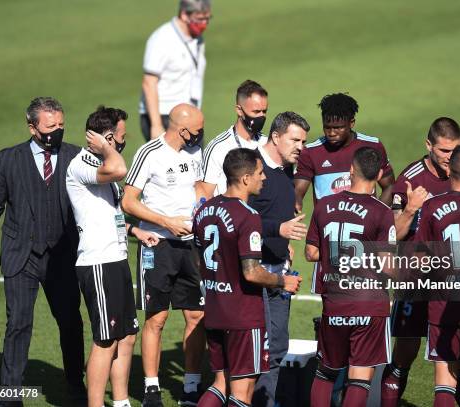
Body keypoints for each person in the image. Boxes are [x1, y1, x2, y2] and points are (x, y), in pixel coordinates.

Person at [0, 97, 85, 405]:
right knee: (18, 323)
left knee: (70, 321)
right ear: (32, 127)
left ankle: (76, 383)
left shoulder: (77, 156)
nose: (57, 131)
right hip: (22, 255)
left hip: (63, 256)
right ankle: (10, 394)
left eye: (61, 125)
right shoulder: (9, 159)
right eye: (50, 127)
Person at [193, 148, 302, 407]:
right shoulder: (249, 216)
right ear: (245, 179)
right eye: (260, 173)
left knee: (220, 384)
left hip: (215, 308)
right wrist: (283, 281)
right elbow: (252, 272)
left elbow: (199, 261)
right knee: (242, 392)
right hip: (243, 316)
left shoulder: (205, 210)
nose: (264, 178)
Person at [66, 107, 159, 407]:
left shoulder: (103, 162)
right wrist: (108, 148)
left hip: (115, 259)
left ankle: (120, 402)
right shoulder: (82, 164)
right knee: (105, 340)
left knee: (127, 336)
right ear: (107, 138)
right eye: (120, 136)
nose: (124, 140)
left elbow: (109, 212)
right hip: (97, 263)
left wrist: (134, 231)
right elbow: (119, 170)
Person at [122, 104, 206, 406]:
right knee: (156, 318)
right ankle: (152, 388)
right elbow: (128, 202)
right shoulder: (149, 153)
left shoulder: (196, 153)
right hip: (158, 245)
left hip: (192, 246)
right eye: (197, 131)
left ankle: (192, 386)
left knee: (197, 315)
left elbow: (200, 189)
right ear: (182, 130)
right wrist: (166, 221)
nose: (200, 136)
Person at [381, 117, 460, 407]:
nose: (450, 158)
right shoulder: (409, 179)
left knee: (456, 357)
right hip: (414, 278)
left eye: (455, 150)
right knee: (405, 351)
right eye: (443, 151)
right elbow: (392, 234)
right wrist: (410, 210)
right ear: (428, 145)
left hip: (451, 281)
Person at [305, 147, 396, 407]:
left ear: (351, 170)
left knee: (325, 371)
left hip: (334, 301)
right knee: (360, 377)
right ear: (379, 174)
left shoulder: (324, 205)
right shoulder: (381, 212)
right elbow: (386, 264)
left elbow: (311, 253)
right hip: (369, 303)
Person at [414, 145, 460, 407]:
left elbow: (420, 260)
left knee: (444, 382)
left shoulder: (432, 206)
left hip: (443, 302)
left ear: (449, 169)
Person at [248, 112, 310, 407]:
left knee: (277, 347)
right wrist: (278, 229)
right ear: (275, 136)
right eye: (295, 139)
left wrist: (283, 242)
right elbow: (238, 220)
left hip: (279, 270)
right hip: (255, 272)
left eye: (303, 141)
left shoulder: (286, 168)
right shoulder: (251, 167)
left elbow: (274, 211)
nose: (300, 146)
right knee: (259, 350)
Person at [294, 92, 395, 211]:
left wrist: (376, 215)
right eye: (327, 127)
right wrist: (296, 202)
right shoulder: (311, 152)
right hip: (327, 227)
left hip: (365, 227)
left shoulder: (372, 145)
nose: (331, 133)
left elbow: (390, 186)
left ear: (351, 123)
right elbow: (297, 192)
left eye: (338, 128)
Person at [140, 0, 212, 141]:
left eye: (207, 18)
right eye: (199, 19)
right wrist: (156, 125)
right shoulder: (162, 39)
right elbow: (149, 83)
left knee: (195, 162)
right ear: (184, 14)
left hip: (189, 114)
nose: (204, 23)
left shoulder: (197, 38)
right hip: (165, 116)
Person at [201, 80, 268, 197]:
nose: (261, 116)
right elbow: (204, 193)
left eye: (264, 111)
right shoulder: (218, 147)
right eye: (256, 111)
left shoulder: (267, 143)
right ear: (239, 110)